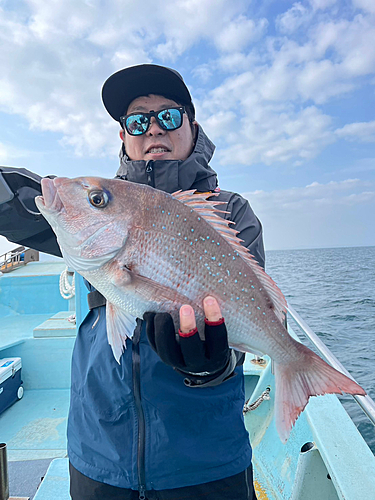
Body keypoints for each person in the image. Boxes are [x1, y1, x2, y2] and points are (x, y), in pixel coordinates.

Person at [0, 64, 264, 500]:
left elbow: (251, 313)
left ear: (192, 128)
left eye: (169, 115)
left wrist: (214, 366)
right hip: (98, 454)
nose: (153, 128)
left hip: (205, 460)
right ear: (123, 136)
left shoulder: (231, 212)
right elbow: (19, 207)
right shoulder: (92, 210)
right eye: (137, 120)